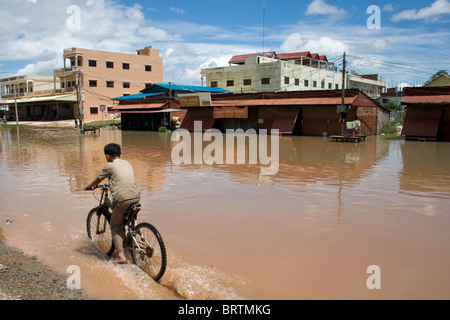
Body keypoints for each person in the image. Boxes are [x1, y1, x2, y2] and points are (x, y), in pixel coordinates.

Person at [85, 143, 141, 264]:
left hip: (123, 199)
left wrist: (90, 186)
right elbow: (123, 180)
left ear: (107, 156)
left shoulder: (109, 166)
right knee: (129, 217)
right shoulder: (127, 163)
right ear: (119, 154)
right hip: (136, 196)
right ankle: (134, 230)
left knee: (115, 226)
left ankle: (121, 256)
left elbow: (98, 179)